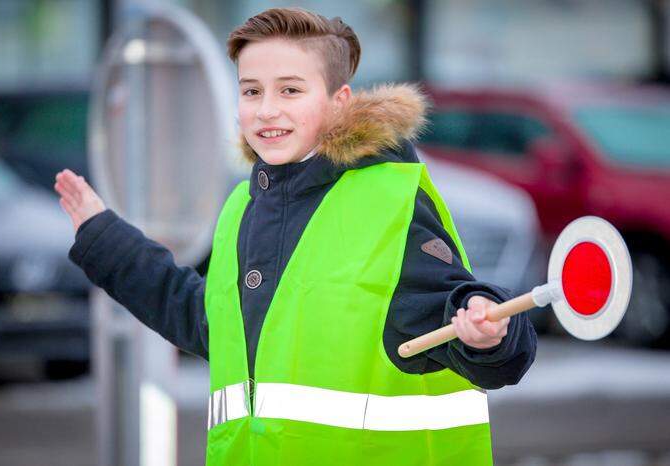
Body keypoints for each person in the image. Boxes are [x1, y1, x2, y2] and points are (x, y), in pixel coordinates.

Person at [55, 7, 537, 465]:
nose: (266, 110)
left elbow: (462, 318)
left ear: (337, 101)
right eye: (251, 91)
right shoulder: (242, 208)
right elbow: (208, 323)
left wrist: (486, 333)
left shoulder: (386, 199)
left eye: (290, 91)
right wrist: (105, 240)